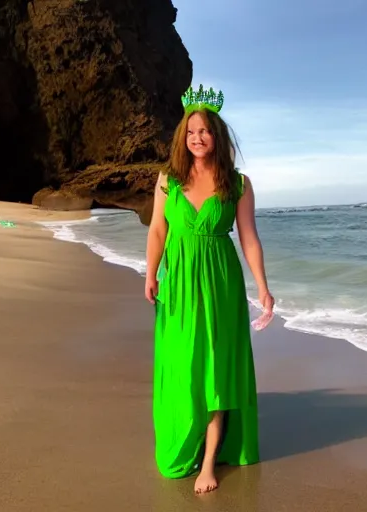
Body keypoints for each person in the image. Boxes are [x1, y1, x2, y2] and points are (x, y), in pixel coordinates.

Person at [145, 85, 274, 494]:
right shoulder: (167, 180)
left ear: (217, 136)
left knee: (216, 369)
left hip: (220, 284)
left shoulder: (237, 183)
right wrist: (150, 273)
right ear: (183, 137)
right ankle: (188, 435)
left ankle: (209, 462)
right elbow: (157, 229)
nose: (197, 138)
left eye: (205, 131)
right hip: (179, 283)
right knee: (184, 366)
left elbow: (249, 238)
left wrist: (264, 288)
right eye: (191, 132)